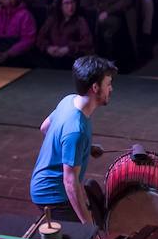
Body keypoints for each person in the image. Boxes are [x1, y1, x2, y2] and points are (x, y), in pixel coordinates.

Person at [30, 55, 117, 225]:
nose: (111, 89)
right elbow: (70, 182)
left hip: (42, 186)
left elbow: (45, 128)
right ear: (95, 87)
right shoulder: (76, 130)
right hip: (53, 196)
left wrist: (85, 148)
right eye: (108, 84)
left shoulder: (68, 101)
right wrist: (87, 225)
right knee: (85, 238)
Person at [36, 0, 94, 69]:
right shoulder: (52, 20)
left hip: (72, 58)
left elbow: (88, 41)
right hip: (52, 56)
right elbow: (40, 37)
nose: (71, 6)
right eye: (66, 3)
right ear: (60, 6)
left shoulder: (80, 21)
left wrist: (68, 48)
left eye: (72, 2)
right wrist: (48, 48)